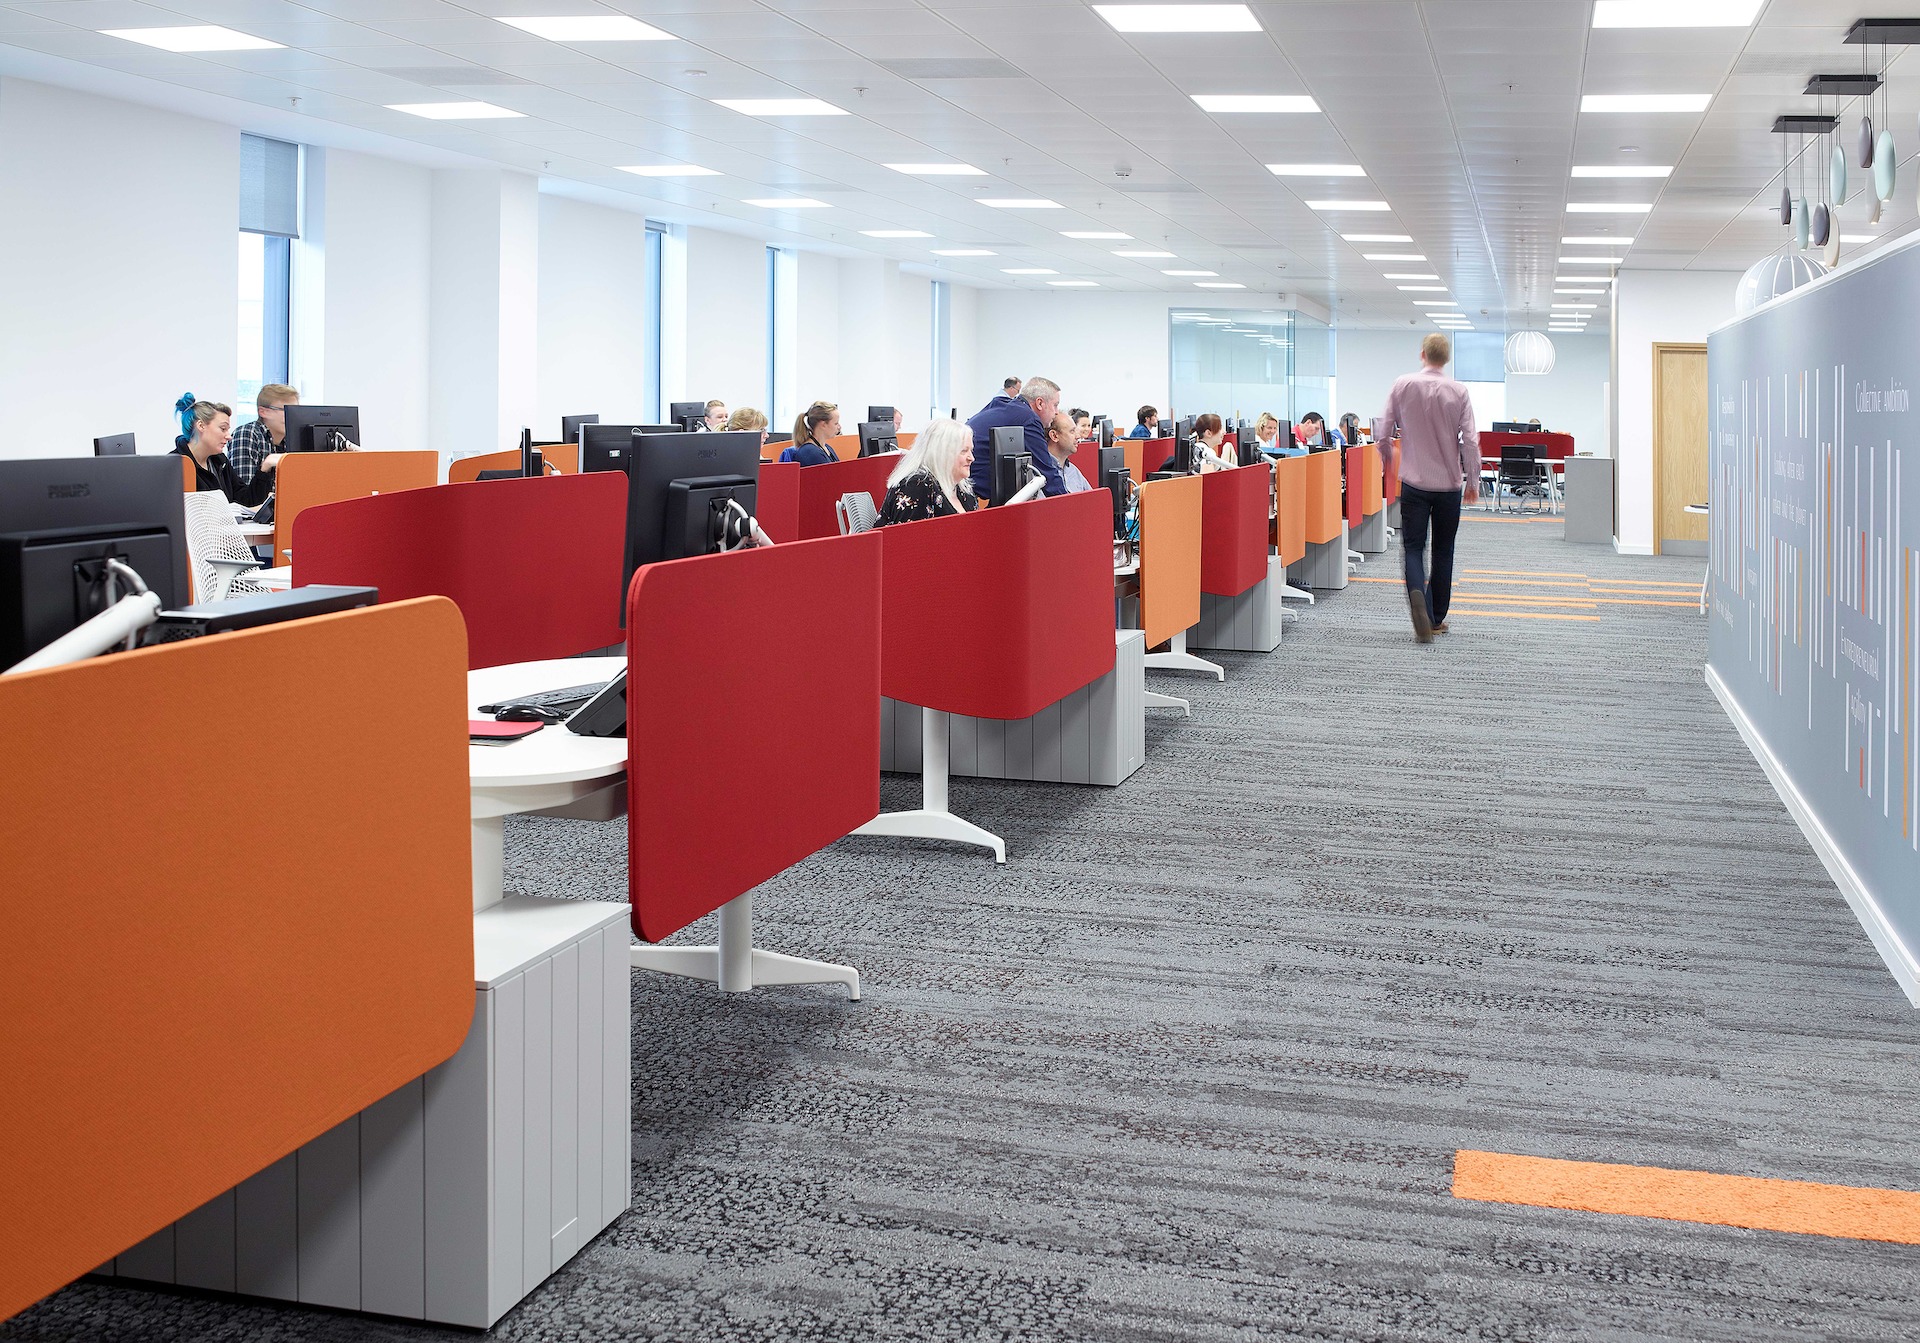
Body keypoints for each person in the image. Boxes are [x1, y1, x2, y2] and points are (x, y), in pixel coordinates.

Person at [1378, 332, 1480, 643]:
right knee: (1444, 550)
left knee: (1413, 547)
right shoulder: (1459, 391)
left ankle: (1417, 595)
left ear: (1422, 354)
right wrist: (1473, 480)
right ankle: (1435, 617)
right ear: (1446, 358)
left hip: (1414, 482)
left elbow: (1383, 432)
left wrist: (1388, 463)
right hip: (1448, 485)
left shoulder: (1402, 384)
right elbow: (1470, 440)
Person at [965, 376, 1064, 499]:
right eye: (1055, 405)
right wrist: (1070, 504)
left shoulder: (1002, 406)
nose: (1057, 412)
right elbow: (1047, 473)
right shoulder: (1029, 419)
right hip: (975, 493)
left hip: (963, 484)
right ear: (1040, 403)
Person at [170, 396, 277, 507]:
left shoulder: (220, 462)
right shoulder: (175, 466)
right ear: (201, 426)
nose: (229, 436)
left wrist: (265, 468)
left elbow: (247, 501)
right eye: (223, 429)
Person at [878, 418, 978, 525]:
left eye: (971, 450)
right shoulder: (916, 486)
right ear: (941, 453)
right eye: (964, 451)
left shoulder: (963, 488)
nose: (971, 458)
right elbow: (909, 535)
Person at [227, 383, 298, 488]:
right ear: (263, 412)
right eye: (285, 409)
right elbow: (245, 491)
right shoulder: (247, 433)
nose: (293, 415)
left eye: (295, 410)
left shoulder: (293, 439)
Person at [1043, 413, 1094, 492]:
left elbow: (1092, 497)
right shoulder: (1039, 473)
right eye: (1072, 431)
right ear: (1054, 436)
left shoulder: (1073, 471)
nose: (1077, 436)